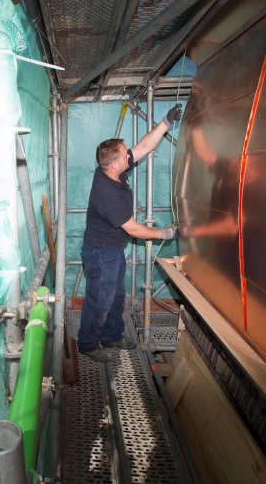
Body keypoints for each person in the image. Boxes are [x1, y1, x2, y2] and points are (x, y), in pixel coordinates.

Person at [77, 104, 182, 363]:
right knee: (100, 300)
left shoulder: (113, 170)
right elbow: (133, 228)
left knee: (116, 296)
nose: (129, 157)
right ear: (114, 164)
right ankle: (89, 345)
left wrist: (165, 122)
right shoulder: (107, 194)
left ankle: (112, 336)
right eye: (125, 156)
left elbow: (144, 146)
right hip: (100, 253)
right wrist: (162, 234)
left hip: (112, 250)